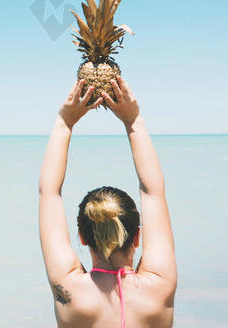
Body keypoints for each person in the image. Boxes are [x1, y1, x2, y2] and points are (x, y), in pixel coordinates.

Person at [38, 77, 177, 327]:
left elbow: (49, 192)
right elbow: (153, 192)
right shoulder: (159, 286)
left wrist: (64, 123)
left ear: (82, 236)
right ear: (137, 236)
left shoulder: (70, 290)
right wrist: (133, 120)